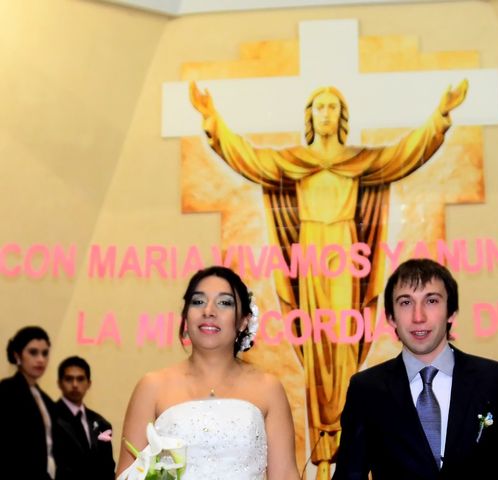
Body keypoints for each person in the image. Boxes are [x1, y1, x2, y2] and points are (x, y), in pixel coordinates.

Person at [190, 80, 468, 476]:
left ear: (341, 117)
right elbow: (250, 159)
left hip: (344, 252)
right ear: (310, 116)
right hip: (308, 256)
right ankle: (323, 456)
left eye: (332, 107)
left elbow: (403, 155)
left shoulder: (358, 159)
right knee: (317, 348)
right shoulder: (293, 160)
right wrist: (212, 120)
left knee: (342, 350)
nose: (325, 113)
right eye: (318, 106)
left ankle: (343, 446)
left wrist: (440, 116)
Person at [333, 258, 498, 479]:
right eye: (405, 302)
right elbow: (350, 474)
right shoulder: (366, 389)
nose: (418, 317)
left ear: (451, 312)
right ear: (391, 318)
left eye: (431, 301)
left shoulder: (494, 379)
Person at [116, 266, 299, 479]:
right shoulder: (152, 387)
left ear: (243, 321)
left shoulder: (268, 388)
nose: (209, 311)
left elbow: (285, 474)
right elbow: (127, 474)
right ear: (186, 317)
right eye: (198, 302)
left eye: (224, 303)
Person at [0, 326, 57, 479]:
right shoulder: (5, 392)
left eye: (45, 353)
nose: (41, 359)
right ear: (17, 355)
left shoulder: (46, 400)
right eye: (33, 352)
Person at [54, 356, 115, 480]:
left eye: (80, 379)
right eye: (69, 379)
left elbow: (108, 468)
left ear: (89, 383)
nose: (75, 384)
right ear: (59, 383)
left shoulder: (102, 424)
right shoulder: (49, 418)